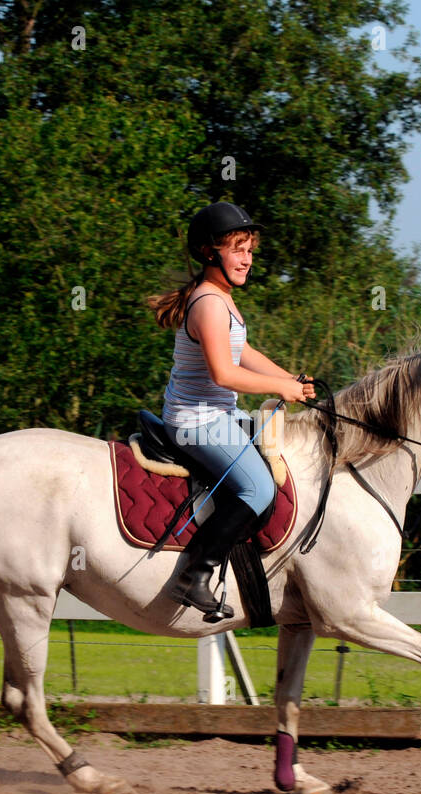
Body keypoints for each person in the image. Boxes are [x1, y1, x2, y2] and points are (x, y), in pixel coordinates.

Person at [146, 202, 315, 617]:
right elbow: (224, 373)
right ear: (210, 253)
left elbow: (245, 352)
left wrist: (293, 381)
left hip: (215, 416)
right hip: (195, 421)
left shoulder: (220, 299)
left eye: (250, 250)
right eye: (238, 249)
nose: (247, 259)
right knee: (258, 488)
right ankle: (194, 574)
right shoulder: (208, 302)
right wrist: (280, 388)